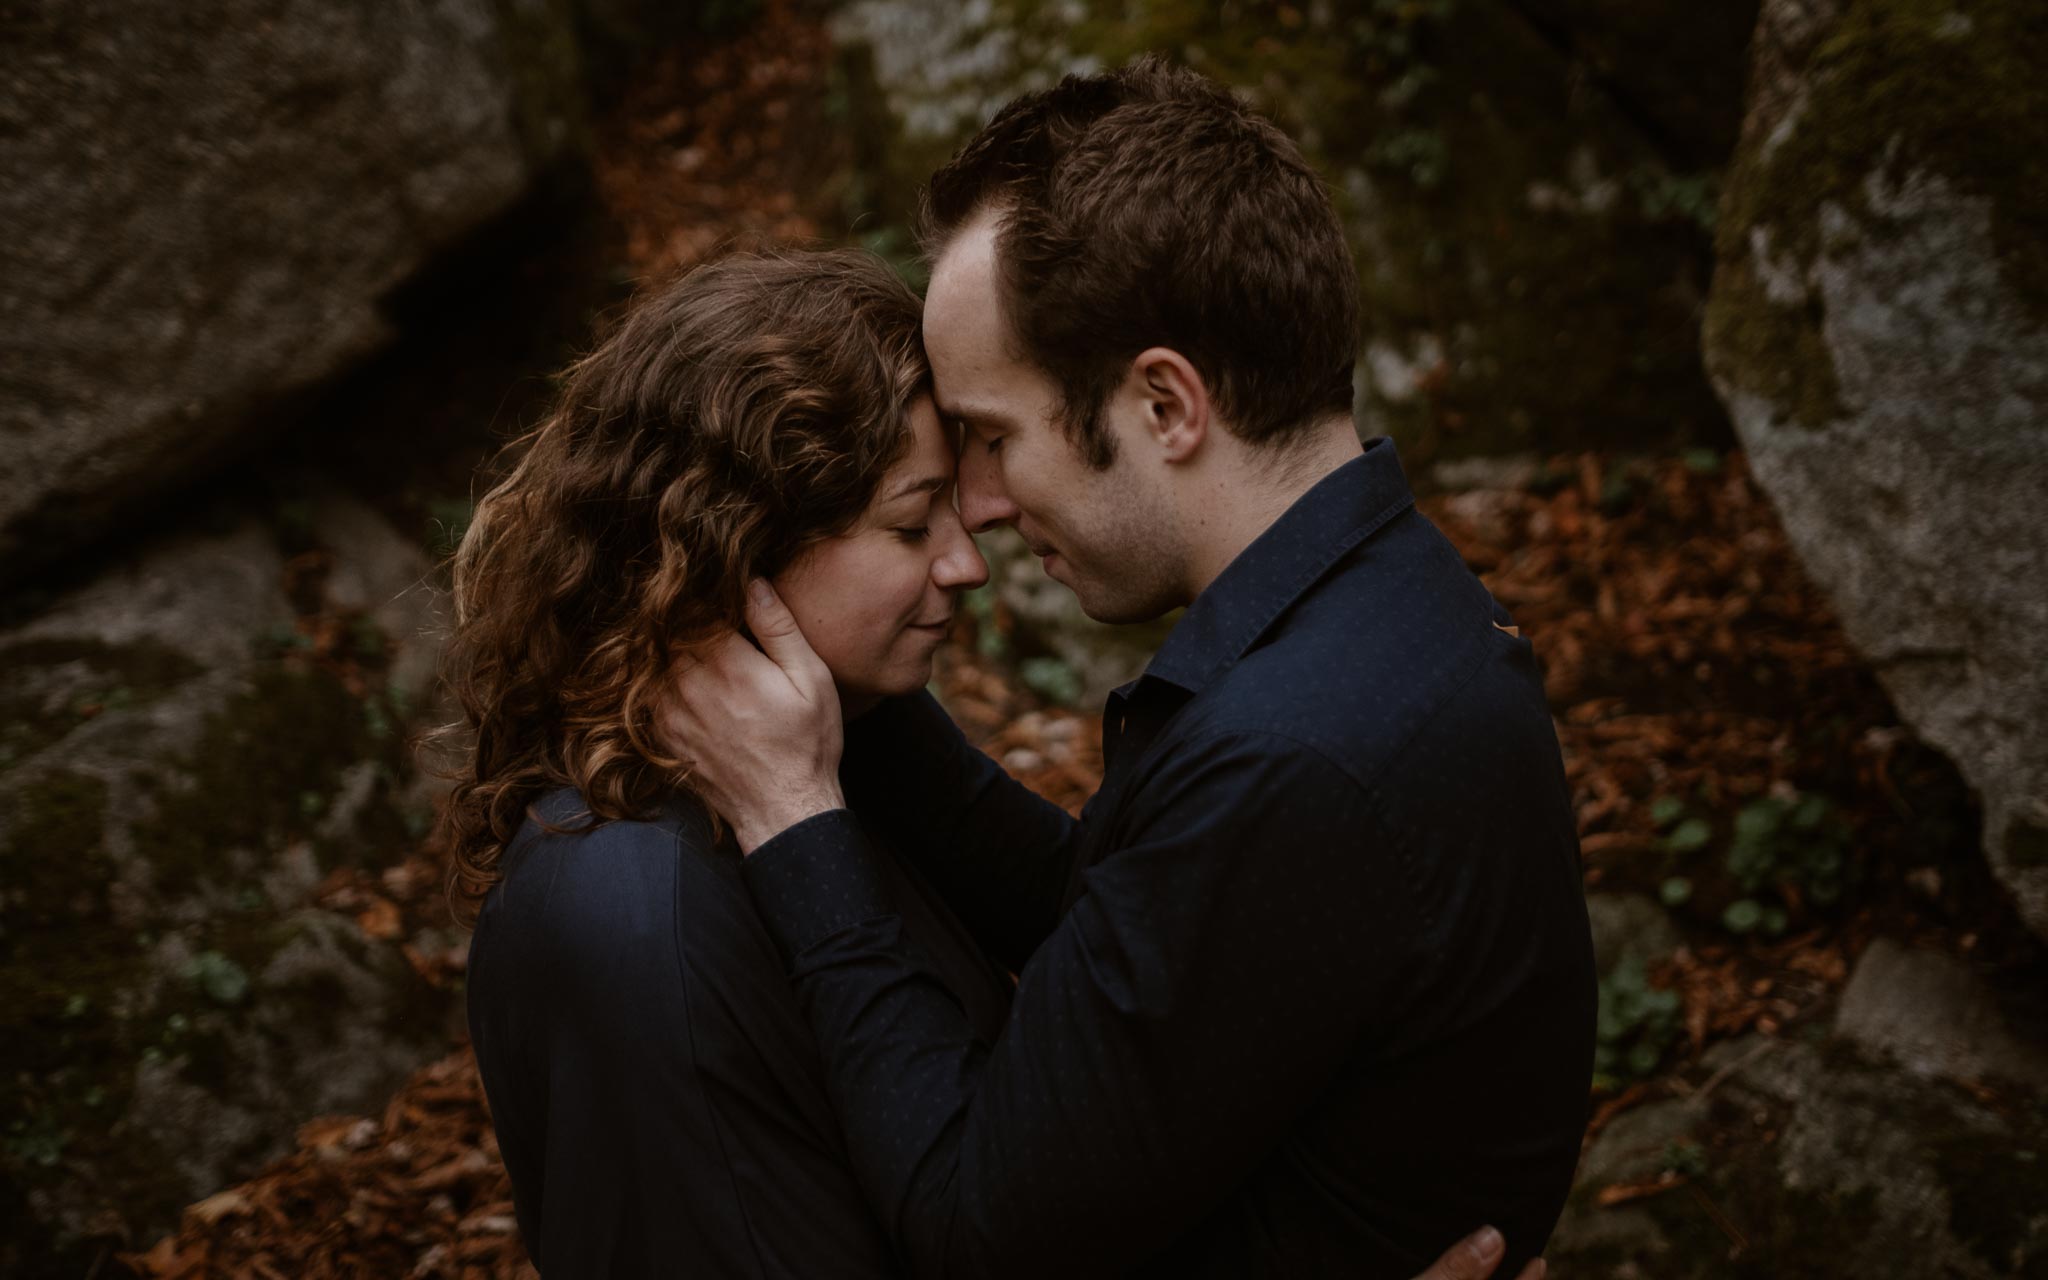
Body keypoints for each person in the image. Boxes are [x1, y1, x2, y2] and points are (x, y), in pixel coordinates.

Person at [660, 58, 1597, 1279]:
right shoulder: (1389, 607)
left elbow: (970, 1215)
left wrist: (793, 818)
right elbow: (1126, 944)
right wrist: (863, 699)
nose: (981, 506)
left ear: (1164, 404)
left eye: (993, 437)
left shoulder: (1288, 757)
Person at [445, 247, 1543, 1279]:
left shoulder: (838, 762)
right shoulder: (633, 912)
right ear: (735, 544)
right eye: (913, 521)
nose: (971, 560)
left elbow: (1097, 927)